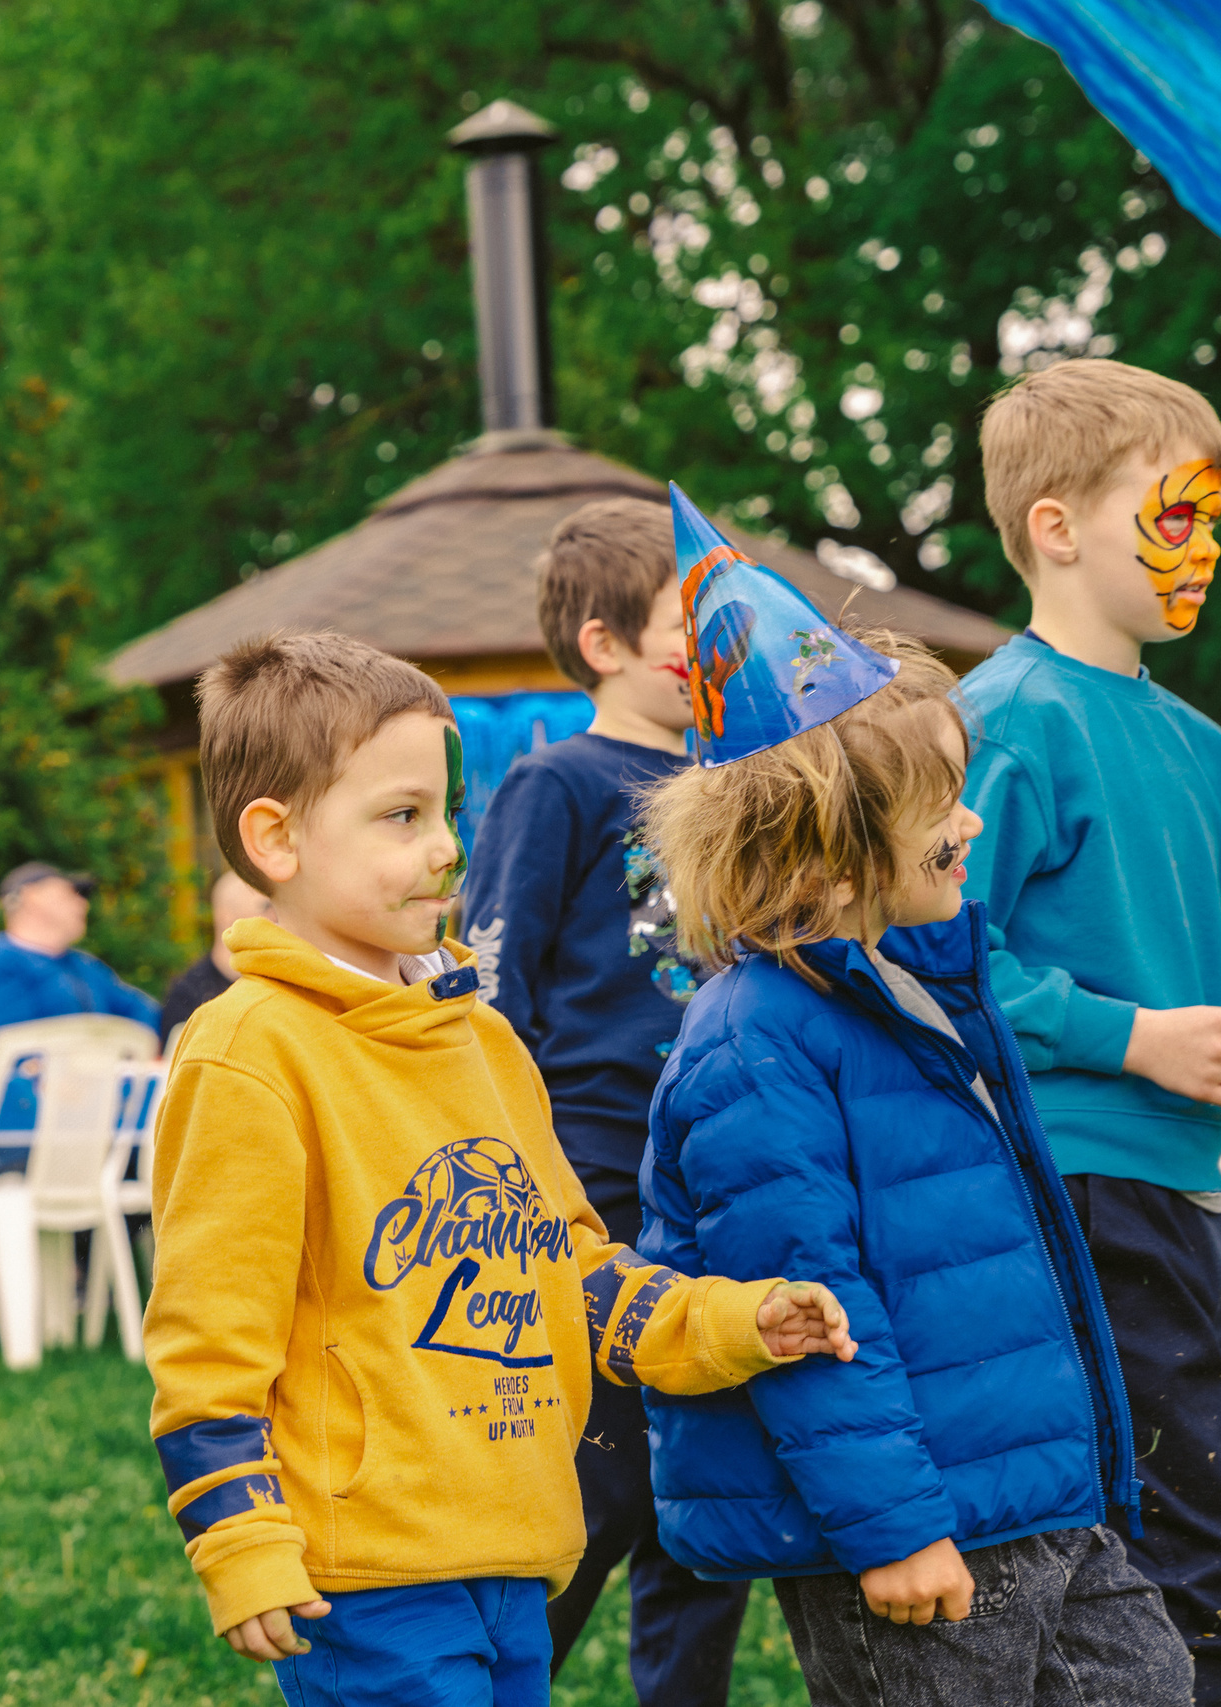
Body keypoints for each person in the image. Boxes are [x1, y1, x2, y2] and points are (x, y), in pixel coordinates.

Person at [143, 629, 855, 1707]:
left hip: (518, 1551)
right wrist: (238, 1540)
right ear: (275, 840)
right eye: (401, 816)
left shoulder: (483, 1043)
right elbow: (207, 1338)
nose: (446, 849)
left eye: (446, 814)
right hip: (370, 1576)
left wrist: (731, 1325)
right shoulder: (250, 1052)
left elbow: (569, 1264)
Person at [639, 488, 1189, 1706]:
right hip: (914, 1527)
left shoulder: (932, 990)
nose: (973, 822)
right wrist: (891, 1529)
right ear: (834, 847)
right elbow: (804, 1314)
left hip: (1035, 1492)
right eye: (940, 805)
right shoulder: (754, 1048)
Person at [953, 358, 1221, 1706]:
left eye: (1217, 514)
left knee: (1208, 1526)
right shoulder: (1002, 718)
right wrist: (1132, 1039)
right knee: (1125, 1533)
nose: (1208, 544)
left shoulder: (1202, 746)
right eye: (1177, 512)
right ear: (1057, 527)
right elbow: (943, 954)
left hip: (1185, 1192)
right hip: (1066, 1187)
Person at [459, 496, 751, 1704]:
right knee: (606, 1476)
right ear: (603, 645)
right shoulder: (556, 783)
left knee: (713, 1485)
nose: (712, 652)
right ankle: (497, 1677)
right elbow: (493, 978)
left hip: (723, 1169)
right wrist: (520, 1163)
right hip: (592, 1171)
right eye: (688, 626)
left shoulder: (733, 785)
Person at [0, 861, 160, 1172]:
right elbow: (10, 1047)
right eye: (72, 892)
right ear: (32, 896)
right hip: (21, 1131)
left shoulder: (85, 967)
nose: (82, 902)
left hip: (101, 1122)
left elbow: (142, 1010)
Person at [158, 868, 272, 1048]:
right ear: (226, 916)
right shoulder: (188, 995)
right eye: (266, 907)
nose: (274, 916)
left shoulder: (276, 983)